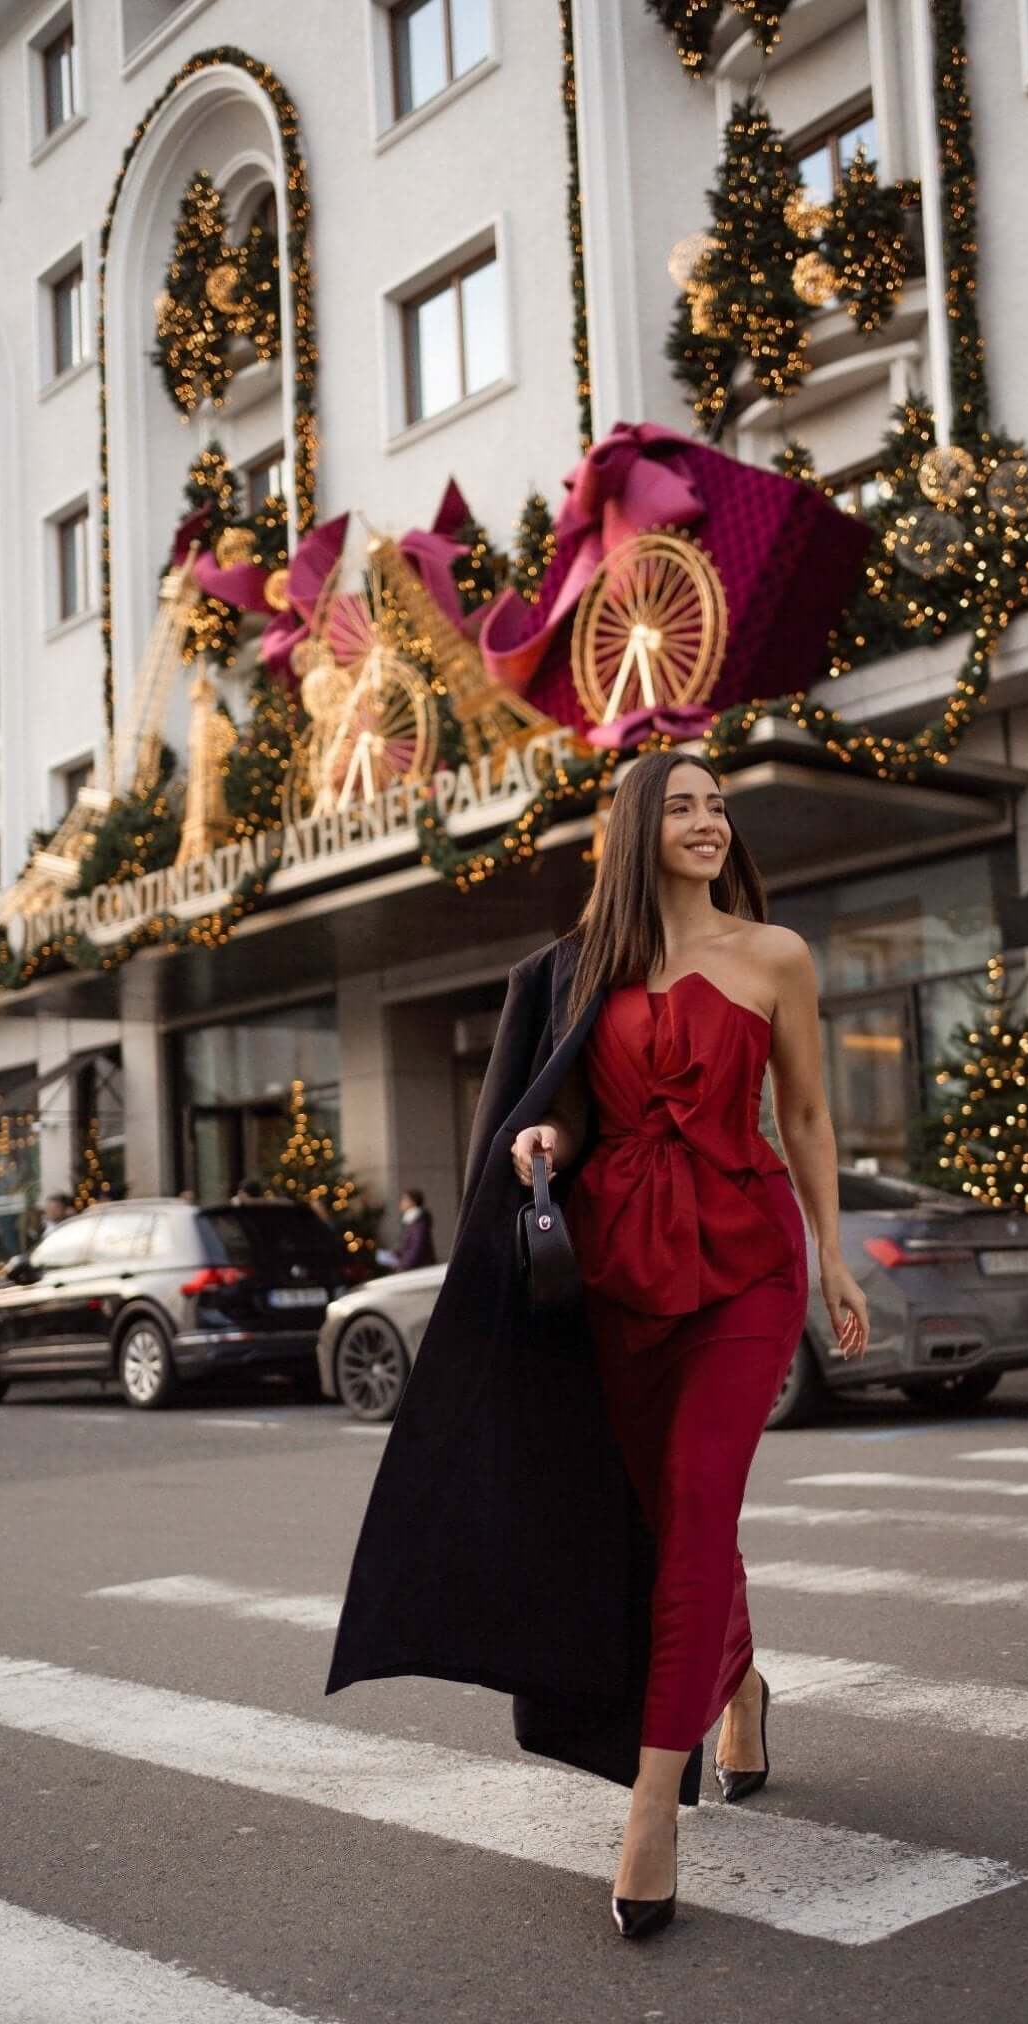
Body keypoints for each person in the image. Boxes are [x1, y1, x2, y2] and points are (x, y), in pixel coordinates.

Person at [324, 750, 869, 1942]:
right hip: (620, 1268)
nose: (709, 821)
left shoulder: (776, 955)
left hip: (747, 1259)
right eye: (682, 806)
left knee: (699, 1500)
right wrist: (543, 1146)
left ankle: (651, 1807)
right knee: (673, 1519)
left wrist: (832, 1253)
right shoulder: (583, 967)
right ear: (635, 830)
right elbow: (567, 1109)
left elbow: (807, 1115)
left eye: (719, 804)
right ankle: (740, 1684)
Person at [391, 1188, 436, 1270]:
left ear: (413, 1202)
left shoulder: (419, 1223)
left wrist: (403, 1265)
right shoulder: (410, 1222)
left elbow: (416, 1249)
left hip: (420, 1269)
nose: (401, 1203)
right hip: (414, 1268)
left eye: (405, 1200)